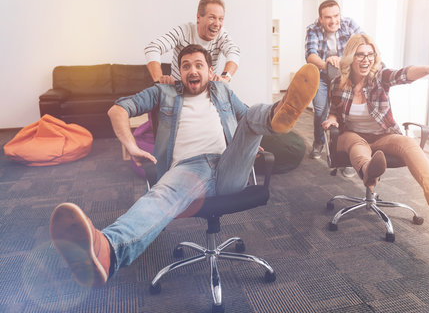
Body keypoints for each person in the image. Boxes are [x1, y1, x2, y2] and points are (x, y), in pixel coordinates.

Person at [49, 44, 320, 287]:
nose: (192, 70)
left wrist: (250, 140)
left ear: (210, 70)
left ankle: (280, 113)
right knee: (161, 195)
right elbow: (118, 109)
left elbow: (247, 117)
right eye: (186, 66)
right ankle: (106, 249)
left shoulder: (223, 90)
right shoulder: (163, 92)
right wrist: (131, 145)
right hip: (188, 169)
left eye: (198, 65)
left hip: (228, 166)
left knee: (253, 115)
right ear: (179, 72)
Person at [321, 33, 429, 233]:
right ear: (350, 58)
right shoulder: (338, 83)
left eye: (370, 55)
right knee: (357, 146)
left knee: (409, 144)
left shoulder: (379, 77)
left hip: (383, 136)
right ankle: (370, 172)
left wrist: (428, 70)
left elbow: (403, 75)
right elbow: (335, 111)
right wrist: (332, 119)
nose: (366, 60)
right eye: (360, 55)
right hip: (352, 135)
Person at [305, 0, 364, 165]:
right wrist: (328, 64)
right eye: (328, 17)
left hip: (345, 75)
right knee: (319, 110)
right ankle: (319, 142)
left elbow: (364, 43)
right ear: (320, 18)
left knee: (345, 112)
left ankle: (344, 150)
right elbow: (310, 55)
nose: (333, 21)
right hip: (322, 74)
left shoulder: (349, 24)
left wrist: (342, 61)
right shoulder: (313, 29)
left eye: (336, 15)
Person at [145, 0, 240, 85]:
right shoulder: (184, 31)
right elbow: (153, 48)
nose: (217, 24)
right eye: (212, 17)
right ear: (198, 17)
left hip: (205, 92)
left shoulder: (221, 35)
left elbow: (234, 51)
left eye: (221, 19)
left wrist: (225, 77)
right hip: (178, 91)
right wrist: (159, 80)